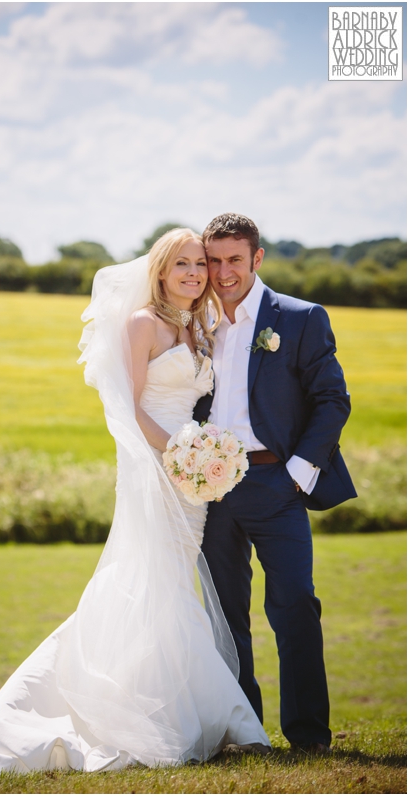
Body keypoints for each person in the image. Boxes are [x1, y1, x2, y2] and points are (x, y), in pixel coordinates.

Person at [0, 229, 270, 778]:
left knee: (174, 583)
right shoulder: (142, 325)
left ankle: (181, 712)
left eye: (199, 264)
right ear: (159, 270)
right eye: (182, 264)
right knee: (147, 580)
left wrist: (203, 457)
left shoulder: (199, 327)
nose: (195, 274)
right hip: (155, 468)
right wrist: (181, 452)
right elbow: (130, 409)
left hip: (190, 478)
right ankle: (144, 715)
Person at [195, 213, 355, 754]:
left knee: (294, 607)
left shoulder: (300, 317)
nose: (222, 272)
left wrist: (298, 473)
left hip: (278, 483)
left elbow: (334, 400)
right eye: (213, 260)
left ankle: (309, 737)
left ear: (257, 258)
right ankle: (244, 732)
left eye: (233, 259)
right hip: (212, 490)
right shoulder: (197, 323)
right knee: (224, 614)